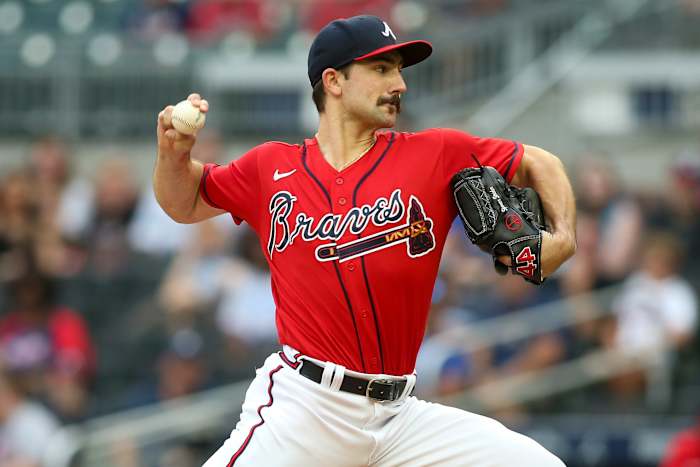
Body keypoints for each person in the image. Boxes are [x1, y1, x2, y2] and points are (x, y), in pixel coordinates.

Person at [155, 15, 576, 466]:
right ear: (334, 81)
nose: (399, 84)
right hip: (309, 409)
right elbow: (184, 203)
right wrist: (173, 154)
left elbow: (541, 163)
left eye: (398, 70)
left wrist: (563, 235)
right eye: (381, 69)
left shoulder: (435, 153)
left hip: (401, 417)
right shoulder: (270, 167)